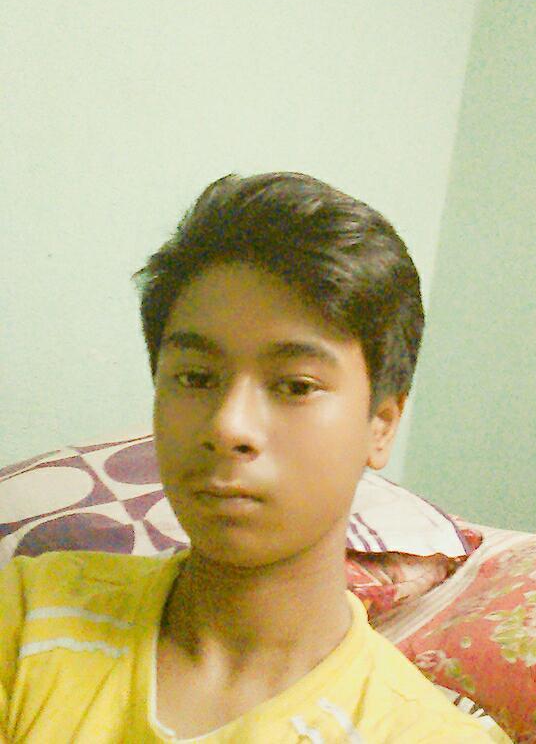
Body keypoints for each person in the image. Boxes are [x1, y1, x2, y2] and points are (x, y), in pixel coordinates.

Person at [0, 173, 508, 742]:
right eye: (196, 378)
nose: (228, 426)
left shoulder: (421, 735)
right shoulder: (28, 618)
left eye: (295, 386)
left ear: (381, 425)